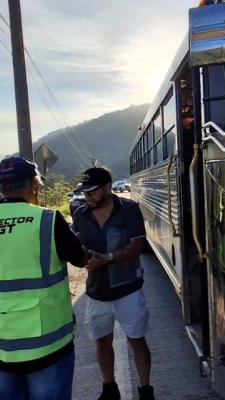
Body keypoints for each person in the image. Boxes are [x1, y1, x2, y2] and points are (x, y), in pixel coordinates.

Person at [0, 157, 86, 400]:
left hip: (0, 345)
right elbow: (80, 259)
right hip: (47, 344)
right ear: (35, 186)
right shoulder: (47, 219)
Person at [70, 167, 154, 400]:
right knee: (102, 343)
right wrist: (78, 253)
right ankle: (110, 389)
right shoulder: (80, 215)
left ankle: (146, 391)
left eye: (92, 192)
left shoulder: (129, 209)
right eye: (84, 192)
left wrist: (107, 258)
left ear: (107, 188)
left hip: (128, 290)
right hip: (97, 292)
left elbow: (136, 246)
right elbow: (77, 247)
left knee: (137, 341)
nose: (87, 196)